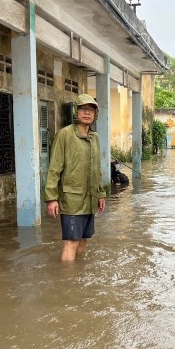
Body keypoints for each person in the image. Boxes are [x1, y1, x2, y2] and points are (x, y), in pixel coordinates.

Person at [44, 94, 106, 261]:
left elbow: (96, 168)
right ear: (76, 112)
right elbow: (54, 168)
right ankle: (66, 281)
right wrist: (51, 198)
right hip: (72, 199)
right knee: (72, 242)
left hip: (90, 198)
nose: (87, 113)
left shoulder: (95, 137)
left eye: (91, 110)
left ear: (95, 114)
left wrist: (100, 194)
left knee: (84, 239)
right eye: (83, 109)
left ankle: (78, 277)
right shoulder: (64, 135)